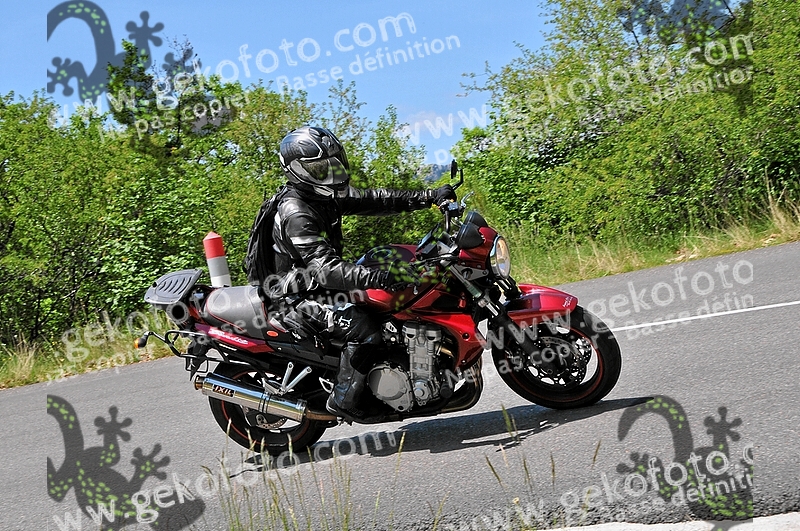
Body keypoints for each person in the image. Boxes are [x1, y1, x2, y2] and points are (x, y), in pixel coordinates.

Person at [260, 125, 455, 419]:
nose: (330, 173)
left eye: (333, 164)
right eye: (320, 168)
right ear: (298, 170)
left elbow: (376, 198)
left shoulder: (323, 196)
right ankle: (344, 401)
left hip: (320, 286)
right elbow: (324, 269)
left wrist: (429, 196)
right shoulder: (297, 212)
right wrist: (381, 277)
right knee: (364, 329)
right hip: (296, 297)